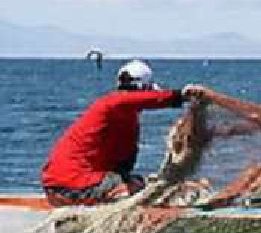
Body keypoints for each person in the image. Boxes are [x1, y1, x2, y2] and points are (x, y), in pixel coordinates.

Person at [41, 59, 208, 206]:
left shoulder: (124, 118)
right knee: (133, 189)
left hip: (67, 185)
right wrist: (181, 96)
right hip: (67, 186)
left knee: (140, 184)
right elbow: (139, 99)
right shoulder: (112, 104)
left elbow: (123, 166)